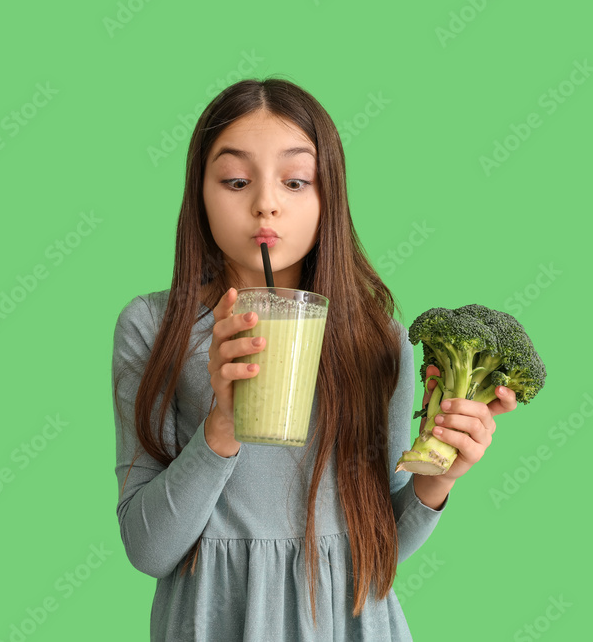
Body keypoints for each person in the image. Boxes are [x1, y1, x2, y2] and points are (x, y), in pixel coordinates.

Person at [112, 77, 518, 641]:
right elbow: (147, 548)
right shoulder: (154, 327)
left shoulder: (377, 338)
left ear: (329, 196)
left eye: (296, 180)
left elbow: (376, 553)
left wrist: (437, 482)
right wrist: (221, 427)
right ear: (199, 194)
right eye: (235, 180)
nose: (265, 203)